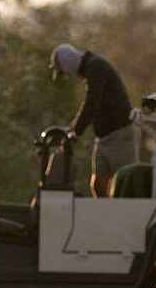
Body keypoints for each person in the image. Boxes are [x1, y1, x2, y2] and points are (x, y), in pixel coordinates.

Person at [49, 44, 137, 197]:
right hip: (103, 137)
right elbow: (90, 105)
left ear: (68, 64)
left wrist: (76, 132)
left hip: (119, 136)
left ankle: (125, 212)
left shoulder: (96, 67)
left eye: (64, 71)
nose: (68, 75)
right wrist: (72, 129)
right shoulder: (90, 69)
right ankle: (106, 212)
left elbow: (92, 103)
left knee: (125, 185)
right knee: (98, 185)